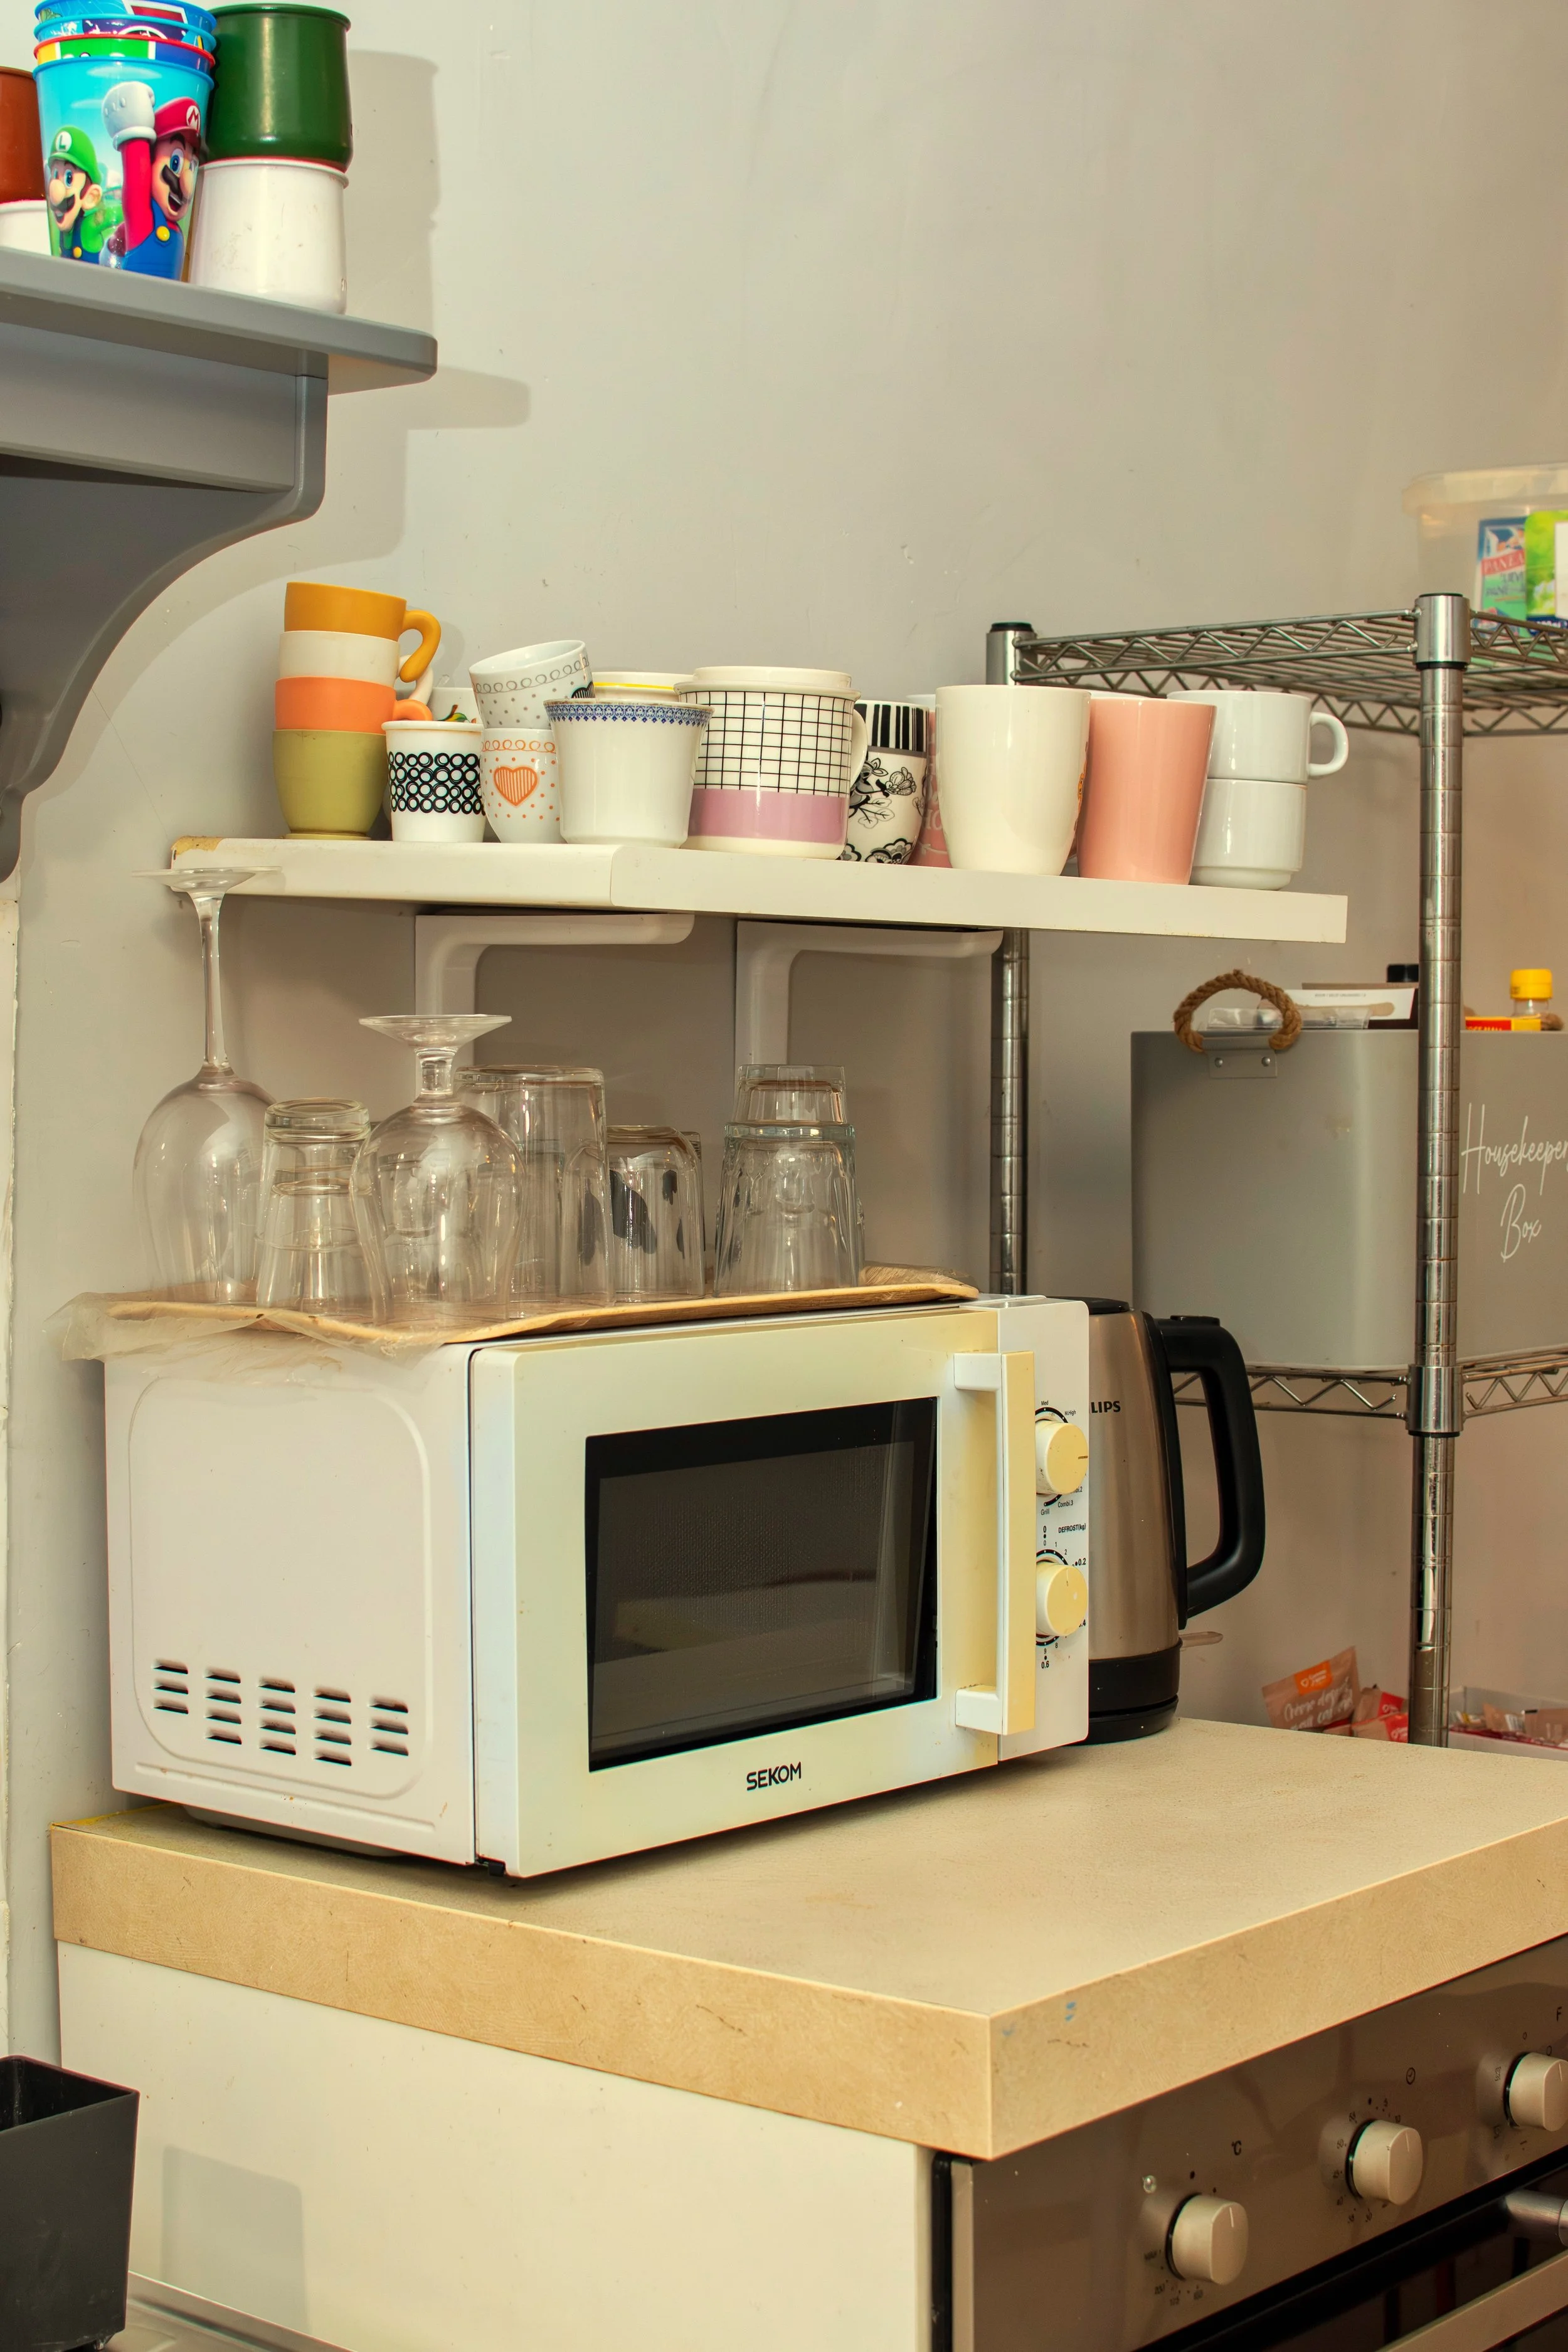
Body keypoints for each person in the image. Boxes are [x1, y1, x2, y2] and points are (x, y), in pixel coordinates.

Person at [100, 83, 200, 279]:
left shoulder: (176, 229)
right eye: (176, 162)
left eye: (192, 166)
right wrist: (134, 130)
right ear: (150, 159)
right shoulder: (145, 222)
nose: (187, 186)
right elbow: (137, 185)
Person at [45, 123, 108, 263]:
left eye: (69, 178)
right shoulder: (61, 231)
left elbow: (122, 213)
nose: (56, 189)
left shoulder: (89, 225)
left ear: (91, 196)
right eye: (55, 175)